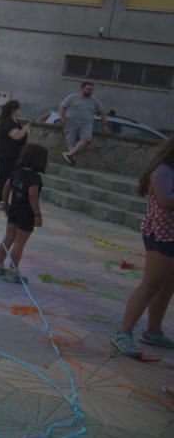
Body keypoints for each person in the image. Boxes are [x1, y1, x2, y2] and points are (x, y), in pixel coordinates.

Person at [111, 137, 174, 358]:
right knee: (150, 285)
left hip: (170, 235)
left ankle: (153, 331)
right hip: (162, 235)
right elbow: (166, 200)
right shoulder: (164, 170)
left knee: (167, 287)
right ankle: (123, 333)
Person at [0, 143, 48, 283]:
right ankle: (13, 272)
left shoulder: (16, 171)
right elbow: (32, 194)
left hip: (14, 209)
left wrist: (5, 203)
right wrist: (37, 215)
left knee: (8, 238)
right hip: (26, 212)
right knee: (19, 242)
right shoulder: (34, 177)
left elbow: (6, 187)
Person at [0, 100, 33, 208]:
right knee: (3, 177)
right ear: (14, 110)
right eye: (19, 109)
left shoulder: (15, 121)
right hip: (6, 154)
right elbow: (16, 136)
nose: (20, 111)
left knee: (9, 177)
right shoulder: (8, 122)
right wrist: (25, 129)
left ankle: (3, 200)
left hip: (13, 154)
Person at [59, 82, 106, 166]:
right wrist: (62, 118)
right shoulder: (72, 97)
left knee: (86, 139)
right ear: (82, 88)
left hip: (86, 124)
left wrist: (104, 125)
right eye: (88, 89)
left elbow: (102, 112)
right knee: (71, 141)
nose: (90, 91)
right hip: (71, 123)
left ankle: (69, 154)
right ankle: (71, 158)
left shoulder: (94, 101)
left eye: (92, 90)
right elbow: (62, 107)